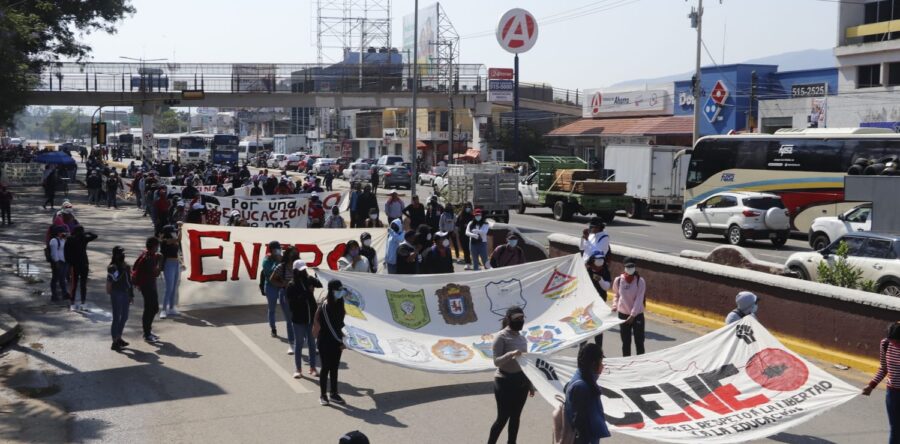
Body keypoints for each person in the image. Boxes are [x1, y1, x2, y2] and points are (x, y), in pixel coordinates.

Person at [487, 306, 534, 444]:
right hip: (504, 381)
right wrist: (511, 354)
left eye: (522, 318)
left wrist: (530, 384)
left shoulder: (522, 339)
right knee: (503, 418)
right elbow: (497, 362)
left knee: (515, 417)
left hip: (521, 382)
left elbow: (525, 364)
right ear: (509, 319)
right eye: (516, 319)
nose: (520, 321)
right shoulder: (501, 337)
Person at [565, 343, 611, 444]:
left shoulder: (585, 380)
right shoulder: (581, 387)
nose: (603, 366)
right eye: (601, 362)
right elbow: (580, 422)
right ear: (594, 364)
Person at [862, 322, 900, 444]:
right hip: (893, 393)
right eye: (892, 341)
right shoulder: (885, 344)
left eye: (897, 342)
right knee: (895, 429)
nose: (894, 344)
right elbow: (884, 368)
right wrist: (871, 385)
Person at [285, 259, 322, 379]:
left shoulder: (309, 279)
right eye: (300, 270)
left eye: (304, 269)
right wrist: (307, 293)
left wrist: (318, 274)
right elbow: (292, 303)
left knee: (312, 343)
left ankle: (312, 368)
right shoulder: (291, 285)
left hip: (311, 318)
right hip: (298, 319)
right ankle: (298, 369)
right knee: (299, 343)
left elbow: (320, 283)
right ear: (295, 271)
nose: (303, 271)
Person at [313, 279, 348, 406]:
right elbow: (329, 326)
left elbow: (340, 324)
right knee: (325, 368)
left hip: (336, 341)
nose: (341, 292)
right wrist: (342, 341)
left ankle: (334, 393)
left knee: (334, 368)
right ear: (332, 291)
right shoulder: (326, 306)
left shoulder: (340, 303)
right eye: (338, 290)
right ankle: (323, 395)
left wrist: (345, 338)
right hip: (325, 341)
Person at [611, 257, 646, 357]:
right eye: (628, 267)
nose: (630, 268)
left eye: (632, 266)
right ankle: (627, 362)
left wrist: (633, 315)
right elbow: (616, 295)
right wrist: (614, 305)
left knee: (639, 341)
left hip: (637, 315)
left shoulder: (640, 281)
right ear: (624, 268)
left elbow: (639, 299)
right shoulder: (618, 280)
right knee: (625, 342)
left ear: (635, 267)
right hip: (623, 315)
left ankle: (640, 362)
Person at [268, 246, 298, 352]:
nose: (293, 255)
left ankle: (308, 342)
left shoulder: (298, 266)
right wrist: (282, 284)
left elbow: (305, 277)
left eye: (295, 253)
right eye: (291, 253)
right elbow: (272, 279)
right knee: (290, 321)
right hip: (285, 294)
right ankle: (291, 344)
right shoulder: (281, 267)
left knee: (300, 320)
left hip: (298, 295)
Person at [132, 237, 162, 342]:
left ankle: (148, 330)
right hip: (147, 286)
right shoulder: (148, 258)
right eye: (157, 245)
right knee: (150, 309)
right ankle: (147, 334)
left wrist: (157, 258)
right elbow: (156, 273)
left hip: (149, 285)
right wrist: (160, 262)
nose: (158, 247)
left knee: (154, 308)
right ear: (153, 246)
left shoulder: (148, 254)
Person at [582, 252, 611, 353]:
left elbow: (607, 286)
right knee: (585, 327)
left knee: (598, 329)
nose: (599, 268)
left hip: (600, 304)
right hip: (587, 304)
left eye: (600, 266)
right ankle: (582, 351)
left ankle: (599, 352)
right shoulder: (586, 271)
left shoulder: (605, 271)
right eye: (596, 266)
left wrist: (600, 280)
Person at [64, 225, 98, 311]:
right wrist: (87, 233)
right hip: (83, 264)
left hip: (76, 265)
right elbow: (94, 236)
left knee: (75, 284)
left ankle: (73, 301)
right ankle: (82, 301)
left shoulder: (71, 239)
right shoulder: (82, 239)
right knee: (81, 284)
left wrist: (69, 263)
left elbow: (66, 253)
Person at [107, 246, 133, 351]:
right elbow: (114, 279)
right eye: (121, 253)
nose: (123, 255)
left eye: (123, 253)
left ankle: (119, 337)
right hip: (117, 293)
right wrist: (122, 268)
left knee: (125, 316)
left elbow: (129, 281)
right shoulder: (112, 267)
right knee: (116, 317)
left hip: (125, 293)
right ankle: (115, 341)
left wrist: (131, 295)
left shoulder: (126, 266)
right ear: (116, 255)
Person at [159, 225, 181, 318]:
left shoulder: (173, 240)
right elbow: (179, 239)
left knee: (174, 287)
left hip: (176, 263)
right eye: (173, 231)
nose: (174, 233)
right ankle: (164, 310)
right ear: (168, 233)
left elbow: (177, 253)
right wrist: (181, 229)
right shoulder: (165, 241)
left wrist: (181, 262)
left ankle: (171, 308)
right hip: (168, 264)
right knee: (169, 288)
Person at [48, 226, 70, 303]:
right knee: (55, 279)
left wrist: (67, 238)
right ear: (58, 233)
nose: (64, 234)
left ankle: (64, 293)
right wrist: (56, 262)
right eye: (62, 233)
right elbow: (54, 253)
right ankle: (54, 295)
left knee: (62, 279)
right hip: (58, 262)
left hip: (65, 261)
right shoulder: (54, 241)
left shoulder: (63, 240)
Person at [456, 202, 474, 267]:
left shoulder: (472, 216)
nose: (468, 208)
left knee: (471, 249)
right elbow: (457, 224)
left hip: (470, 235)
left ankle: (472, 261)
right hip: (462, 235)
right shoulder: (460, 215)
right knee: (465, 249)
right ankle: (468, 263)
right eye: (466, 207)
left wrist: (469, 226)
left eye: (469, 207)